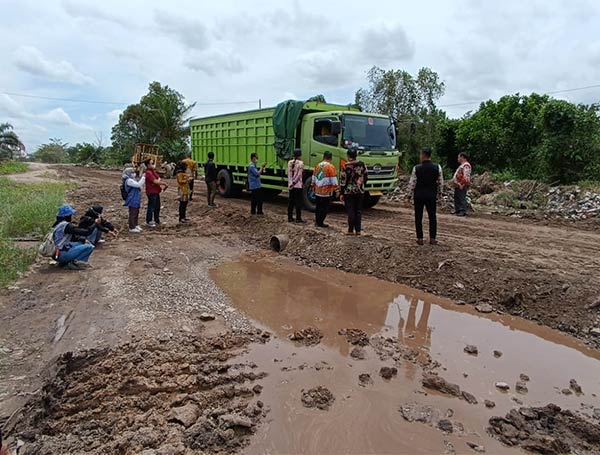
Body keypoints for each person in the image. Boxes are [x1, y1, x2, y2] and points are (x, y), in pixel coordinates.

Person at [409, 148, 444, 245]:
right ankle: (432, 238)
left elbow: (412, 183)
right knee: (432, 216)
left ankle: (420, 238)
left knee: (418, 216)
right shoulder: (437, 167)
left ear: (423, 155)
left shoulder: (416, 168)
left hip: (419, 195)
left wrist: (409, 195)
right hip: (431, 194)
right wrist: (440, 194)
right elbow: (441, 182)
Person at [52, 204, 98, 270]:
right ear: (67, 216)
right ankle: (75, 263)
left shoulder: (58, 225)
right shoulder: (66, 226)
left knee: (82, 243)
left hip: (56, 254)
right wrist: (95, 224)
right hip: (61, 254)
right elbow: (86, 232)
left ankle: (64, 262)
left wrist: (83, 240)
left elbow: (73, 238)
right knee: (89, 247)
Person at [340, 147, 368, 235]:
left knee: (351, 210)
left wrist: (341, 192)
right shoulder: (362, 164)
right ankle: (358, 230)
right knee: (358, 210)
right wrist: (362, 185)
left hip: (349, 192)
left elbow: (343, 181)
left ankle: (350, 230)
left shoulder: (346, 166)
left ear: (348, 156)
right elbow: (366, 176)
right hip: (360, 191)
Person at [312, 151, 338, 228]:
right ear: (331, 158)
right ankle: (321, 222)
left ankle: (317, 221)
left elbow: (314, 177)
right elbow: (333, 179)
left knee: (318, 207)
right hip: (326, 192)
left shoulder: (317, 165)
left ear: (323, 157)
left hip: (317, 190)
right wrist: (336, 189)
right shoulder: (331, 167)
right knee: (325, 208)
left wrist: (313, 186)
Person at [144, 159, 168, 227]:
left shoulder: (153, 171)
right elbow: (156, 181)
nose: (153, 165)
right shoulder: (148, 172)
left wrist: (158, 181)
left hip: (156, 191)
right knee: (151, 207)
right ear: (148, 165)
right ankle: (149, 221)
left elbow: (158, 179)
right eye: (151, 163)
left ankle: (157, 220)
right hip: (151, 192)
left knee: (157, 207)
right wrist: (164, 183)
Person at [122, 167, 146, 233]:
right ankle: (132, 227)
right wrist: (143, 177)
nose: (134, 173)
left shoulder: (132, 179)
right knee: (133, 212)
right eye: (132, 172)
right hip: (132, 198)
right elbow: (138, 185)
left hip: (135, 197)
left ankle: (135, 224)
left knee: (136, 211)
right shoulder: (129, 180)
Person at [287, 148, 305, 223]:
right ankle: (298, 218)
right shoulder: (301, 163)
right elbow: (299, 175)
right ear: (300, 155)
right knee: (298, 202)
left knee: (291, 201)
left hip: (291, 186)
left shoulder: (289, 162)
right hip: (298, 185)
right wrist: (294, 182)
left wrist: (291, 183)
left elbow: (289, 174)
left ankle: (290, 217)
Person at [452, 152, 472, 216]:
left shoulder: (466, 165)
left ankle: (462, 211)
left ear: (462, 157)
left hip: (462, 184)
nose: (458, 159)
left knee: (461, 197)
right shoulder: (462, 165)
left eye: (459, 157)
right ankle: (458, 210)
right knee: (457, 197)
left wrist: (462, 184)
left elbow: (466, 176)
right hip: (458, 184)